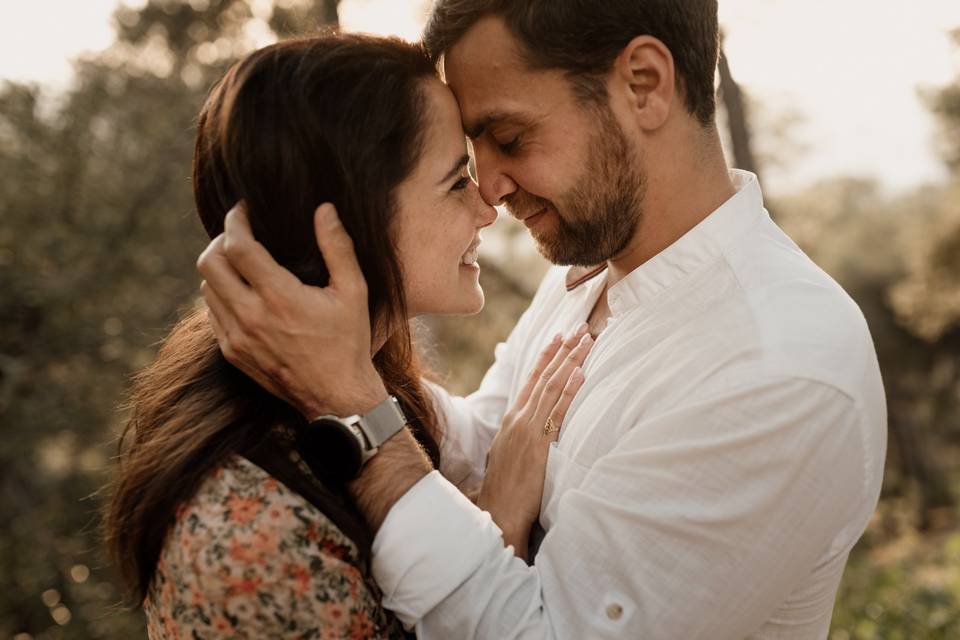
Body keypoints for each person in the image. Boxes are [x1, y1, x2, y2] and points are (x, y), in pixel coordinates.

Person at [198, 1, 888, 638]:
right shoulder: (586, 272)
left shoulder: (780, 364)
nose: (490, 188)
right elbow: (483, 447)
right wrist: (329, 344)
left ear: (644, 83)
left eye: (509, 136)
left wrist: (352, 404)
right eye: (475, 148)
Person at [103, 33, 591, 639]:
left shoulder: (374, 388)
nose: (488, 207)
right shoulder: (254, 544)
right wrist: (500, 528)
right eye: (454, 179)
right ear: (350, 224)